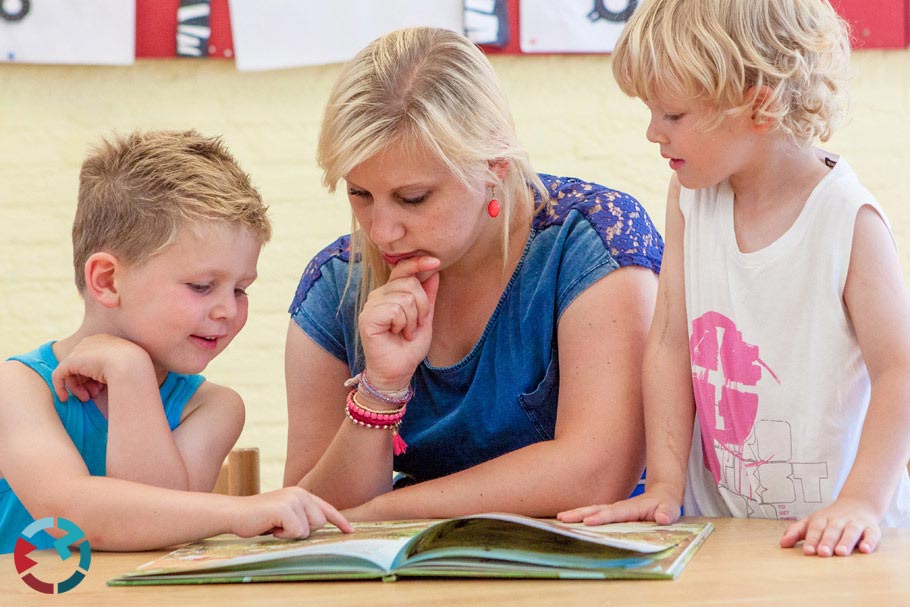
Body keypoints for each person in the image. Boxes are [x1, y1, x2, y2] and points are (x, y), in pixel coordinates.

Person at [558, 0, 910, 557]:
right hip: (720, 528)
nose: (653, 132)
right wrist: (667, 485)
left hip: (842, 538)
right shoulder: (692, 197)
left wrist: (862, 502)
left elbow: (899, 369)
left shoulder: (847, 221)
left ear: (760, 105)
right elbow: (672, 338)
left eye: (672, 115)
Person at [283, 27, 663, 520]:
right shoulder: (335, 284)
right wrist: (380, 391)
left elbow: (596, 473)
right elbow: (309, 512)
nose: (381, 231)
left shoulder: (591, 239)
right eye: (359, 194)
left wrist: (388, 510)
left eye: (412, 198)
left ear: (495, 166)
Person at [0, 130, 351, 554]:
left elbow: (153, 534)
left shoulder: (215, 408)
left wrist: (131, 379)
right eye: (202, 286)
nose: (227, 310)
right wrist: (237, 513)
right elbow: (72, 519)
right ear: (108, 281)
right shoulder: (17, 388)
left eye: (240, 289)